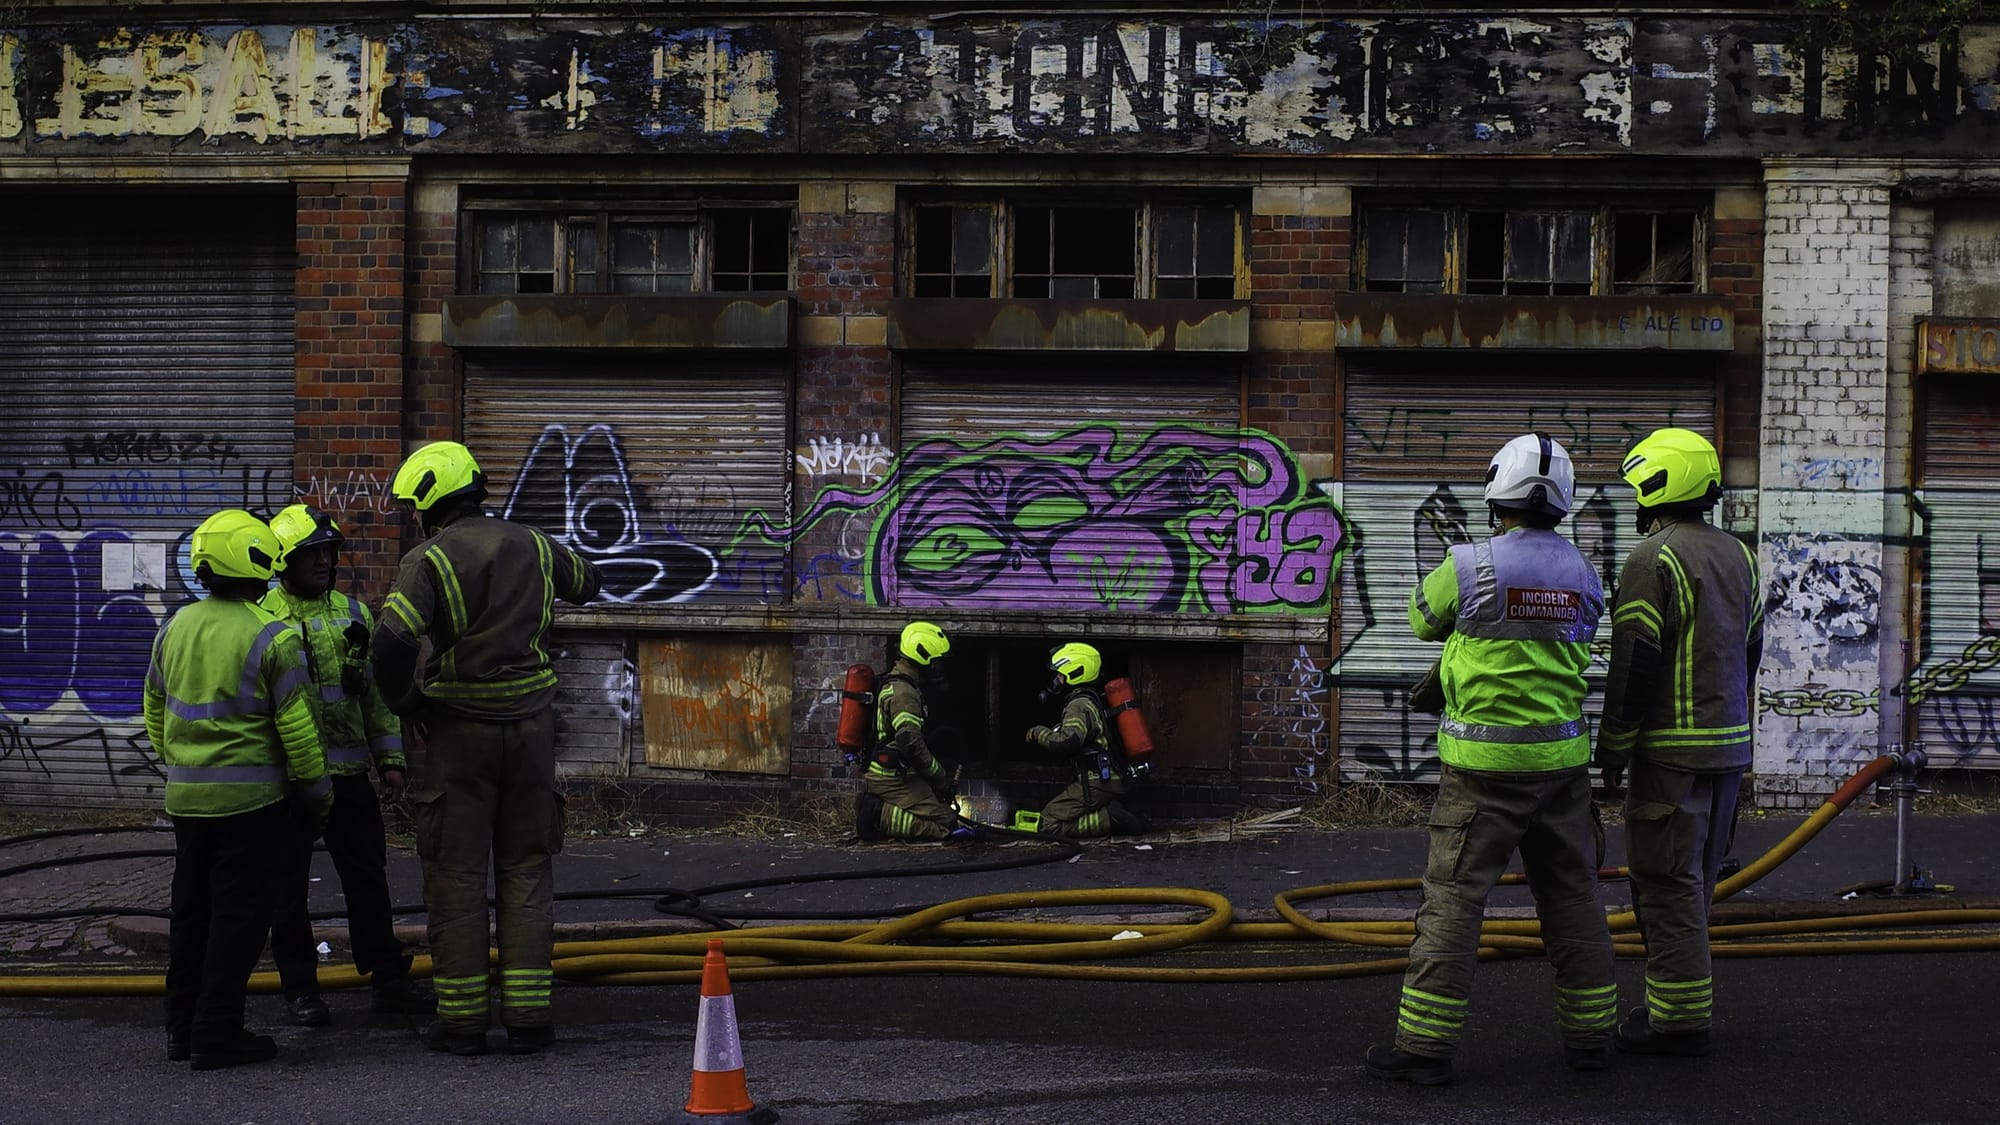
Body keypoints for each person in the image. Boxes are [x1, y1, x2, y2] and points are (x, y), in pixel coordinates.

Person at [1365, 433, 1615, 1087]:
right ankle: (1592, 1039)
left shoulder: (1470, 563)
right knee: (1574, 898)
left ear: (1495, 492)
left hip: (1479, 771)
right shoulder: (1586, 574)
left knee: (1453, 900)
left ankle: (1423, 1047)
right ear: (1561, 501)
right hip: (1561, 770)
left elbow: (1423, 620)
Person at [371, 441, 602, 1058]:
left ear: (428, 502)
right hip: (531, 734)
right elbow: (591, 582)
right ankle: (529, 1019)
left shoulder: (429, 560)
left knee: (457, 874)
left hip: (458, 736)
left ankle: (464, 1023)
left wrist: (409, 705)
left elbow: (389, 648)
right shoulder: (534, 543)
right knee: (527, 870)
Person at [1595, 427, 1763, 1059]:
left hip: (1670, 753)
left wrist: (1613, 748)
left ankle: (1678, 1022)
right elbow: (1751, 652)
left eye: (1639, 484)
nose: (1634, 497)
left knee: (1665, 885)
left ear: (1658, 483)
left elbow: (1635, 662)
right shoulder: (1739, 554)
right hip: (1729, 751)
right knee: (1694, 882)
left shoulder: (1652, 559)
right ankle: (1677, 1004)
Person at [146, 509, 331, 1071]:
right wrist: (316, 791)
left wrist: (181, 762)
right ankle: (217, 1033)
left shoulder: (173, 626)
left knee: (191, 915)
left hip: (187, 801)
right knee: (238, 919)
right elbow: (297, 727)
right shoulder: (269, 634)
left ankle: (181, 1029)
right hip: (251, 806)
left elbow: (154, 709)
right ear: (255, 562)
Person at [259, 503, 433, 1027]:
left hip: (351, 776)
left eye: (327, 552)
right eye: (311, 553)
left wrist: (391, 761)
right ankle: (301, 990)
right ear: (284, 560)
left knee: (367, 880)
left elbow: (374, 697)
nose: (322, 562)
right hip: (287, 783)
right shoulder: (263, 620)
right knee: (286, 888)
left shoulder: (355, 614)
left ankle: (386, 978)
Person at [855, 621, 970, 842]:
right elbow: (911, 744)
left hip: (896, 772)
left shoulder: (901, 683)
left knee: (944, 814)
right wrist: (939, 778)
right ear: (923, 658)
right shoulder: (904, 694)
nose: (939, 668)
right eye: (936, 663)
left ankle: (881, 809)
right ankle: (878, 813)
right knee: (946, 823)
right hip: (892, 778)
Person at [1026, 642, 1148, 837]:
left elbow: (1068, 742)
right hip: (1111, 778)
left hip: (1097, 782)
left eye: (1060, 674)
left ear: (1075, 673)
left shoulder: (1078, 705)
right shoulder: (1092, 699)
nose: (1056, 680)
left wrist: (1038, 733)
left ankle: (1110, 819)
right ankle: (1114, 811)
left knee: (1048, 823)